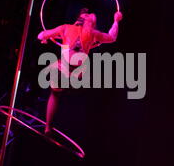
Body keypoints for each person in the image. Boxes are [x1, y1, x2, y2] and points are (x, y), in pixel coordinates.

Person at [37, 8, 123, 136]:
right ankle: (48, 127)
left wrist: (47, 37)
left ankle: (48, 127)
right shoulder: (87, 32)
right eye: (87, 15)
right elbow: (111, 37)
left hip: (70, 72)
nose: (88, 17)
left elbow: (41, 35)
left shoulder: (68, 29)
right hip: (74, 74)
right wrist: (116, 21)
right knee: (57, 90)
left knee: (56, 92)